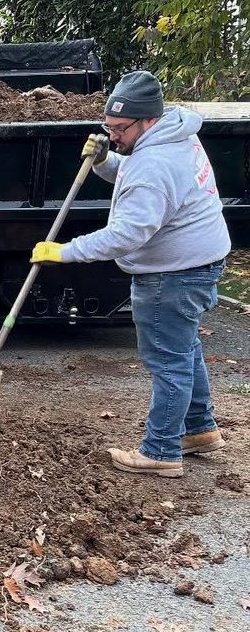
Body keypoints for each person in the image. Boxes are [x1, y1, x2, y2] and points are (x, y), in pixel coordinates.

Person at [31, 70, 230, 476]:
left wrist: (65, 252)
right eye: (109, 126)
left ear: (147, 121)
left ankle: (160, 451)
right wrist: (107, 161)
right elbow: (135, 175)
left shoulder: (154, 162)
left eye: (120, 128)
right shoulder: (177, 135)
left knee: (167, 361)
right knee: (184, 347)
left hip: (172, 276)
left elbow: (126, 235)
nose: (114, 133)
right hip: (200, 261)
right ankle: (198, 429)